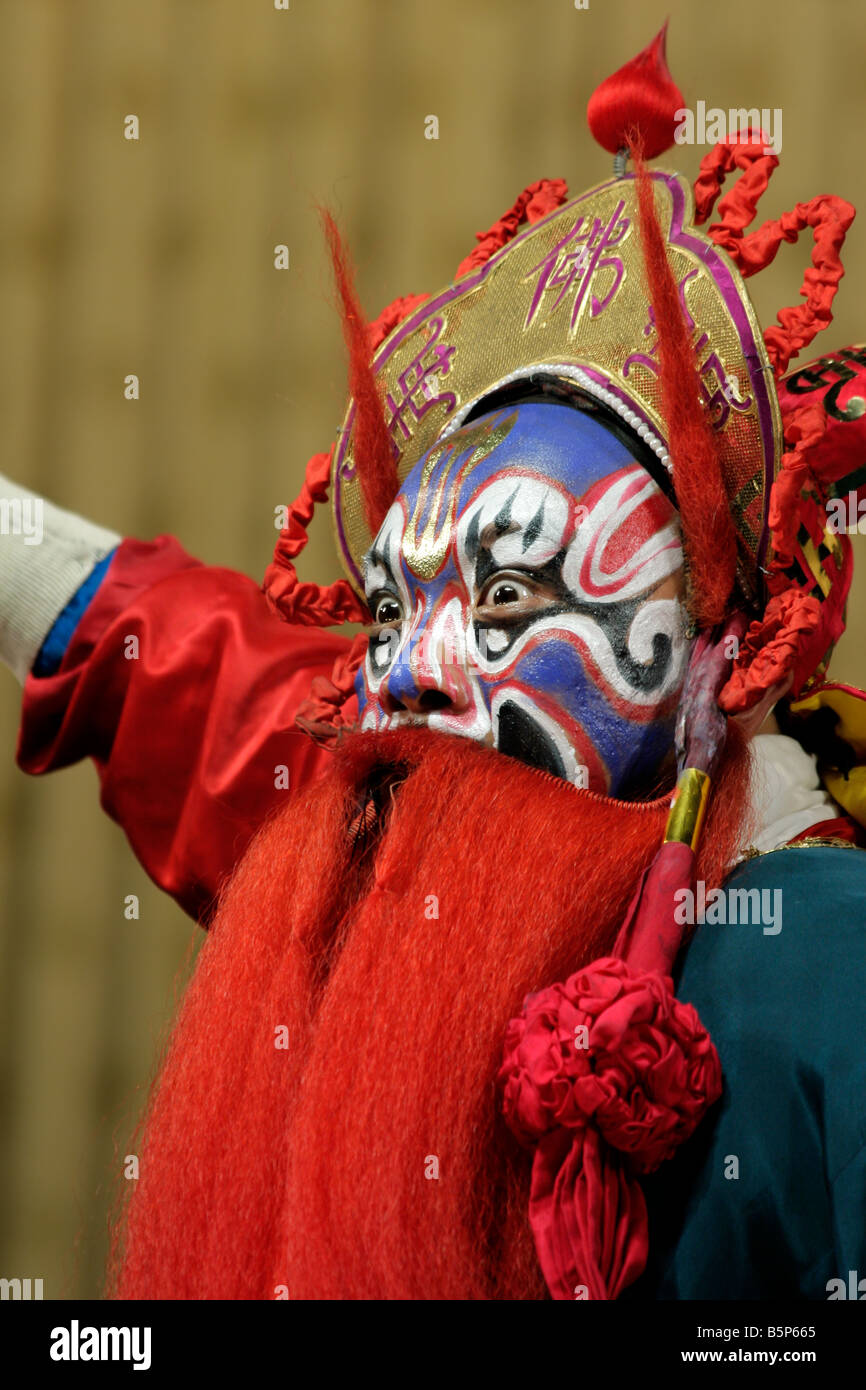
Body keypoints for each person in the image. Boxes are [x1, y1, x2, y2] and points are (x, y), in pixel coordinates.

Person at [2, 27, 866, 1301]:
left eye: (509, 591)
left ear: (714, 661)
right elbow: (198, 675)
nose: (410, 663)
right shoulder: (375, 865)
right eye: (395, 605)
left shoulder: (819, 966)